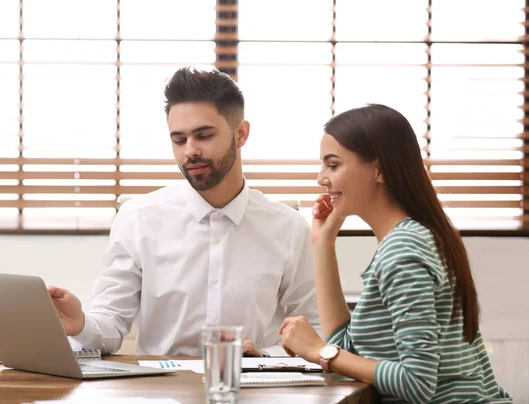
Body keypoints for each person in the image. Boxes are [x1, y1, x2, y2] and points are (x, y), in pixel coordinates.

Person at [48, 67, 320, 356]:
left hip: (253, 389)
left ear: (241, 134)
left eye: (203, 136)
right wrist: (80, 324)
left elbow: (315, 331)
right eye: (179, 140)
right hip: (162, 390)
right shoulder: (137, 218)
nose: (190, 151)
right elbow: (111, 324)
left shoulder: (289, 227)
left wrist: (264, 355)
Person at [279, 104, 512, 403]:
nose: (320, 178)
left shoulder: (403, 251)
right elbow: (350, 351)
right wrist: (322, 245)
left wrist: (318, 351)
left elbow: (416, 383)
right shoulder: (413, 238)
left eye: (333, 165)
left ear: (380, 170)